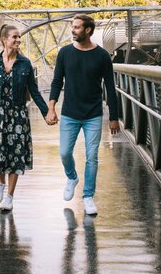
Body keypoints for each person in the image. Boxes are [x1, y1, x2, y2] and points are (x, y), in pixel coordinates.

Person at [46, 14, 119, 216]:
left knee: (92, 157)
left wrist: (114, 117)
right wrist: (51, 108)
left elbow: (110, 89)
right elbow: (56, 82)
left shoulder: (103, 56)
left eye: (77, 27)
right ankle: (72, 177)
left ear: (88, 30)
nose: (73, 30)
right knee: (64, 153)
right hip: (69, 112)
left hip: (93, 114)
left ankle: (88, 196)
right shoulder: (65, 53)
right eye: (73, 27)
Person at [0, 24, 51, 212]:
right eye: (15, 37)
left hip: (17, 115)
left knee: (16, 155)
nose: (18, 40)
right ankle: (1, 182)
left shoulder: (25, 64)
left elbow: (34, 92)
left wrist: (46, 112)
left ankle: (9, 196)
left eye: (19, 37)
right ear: (5, 40)